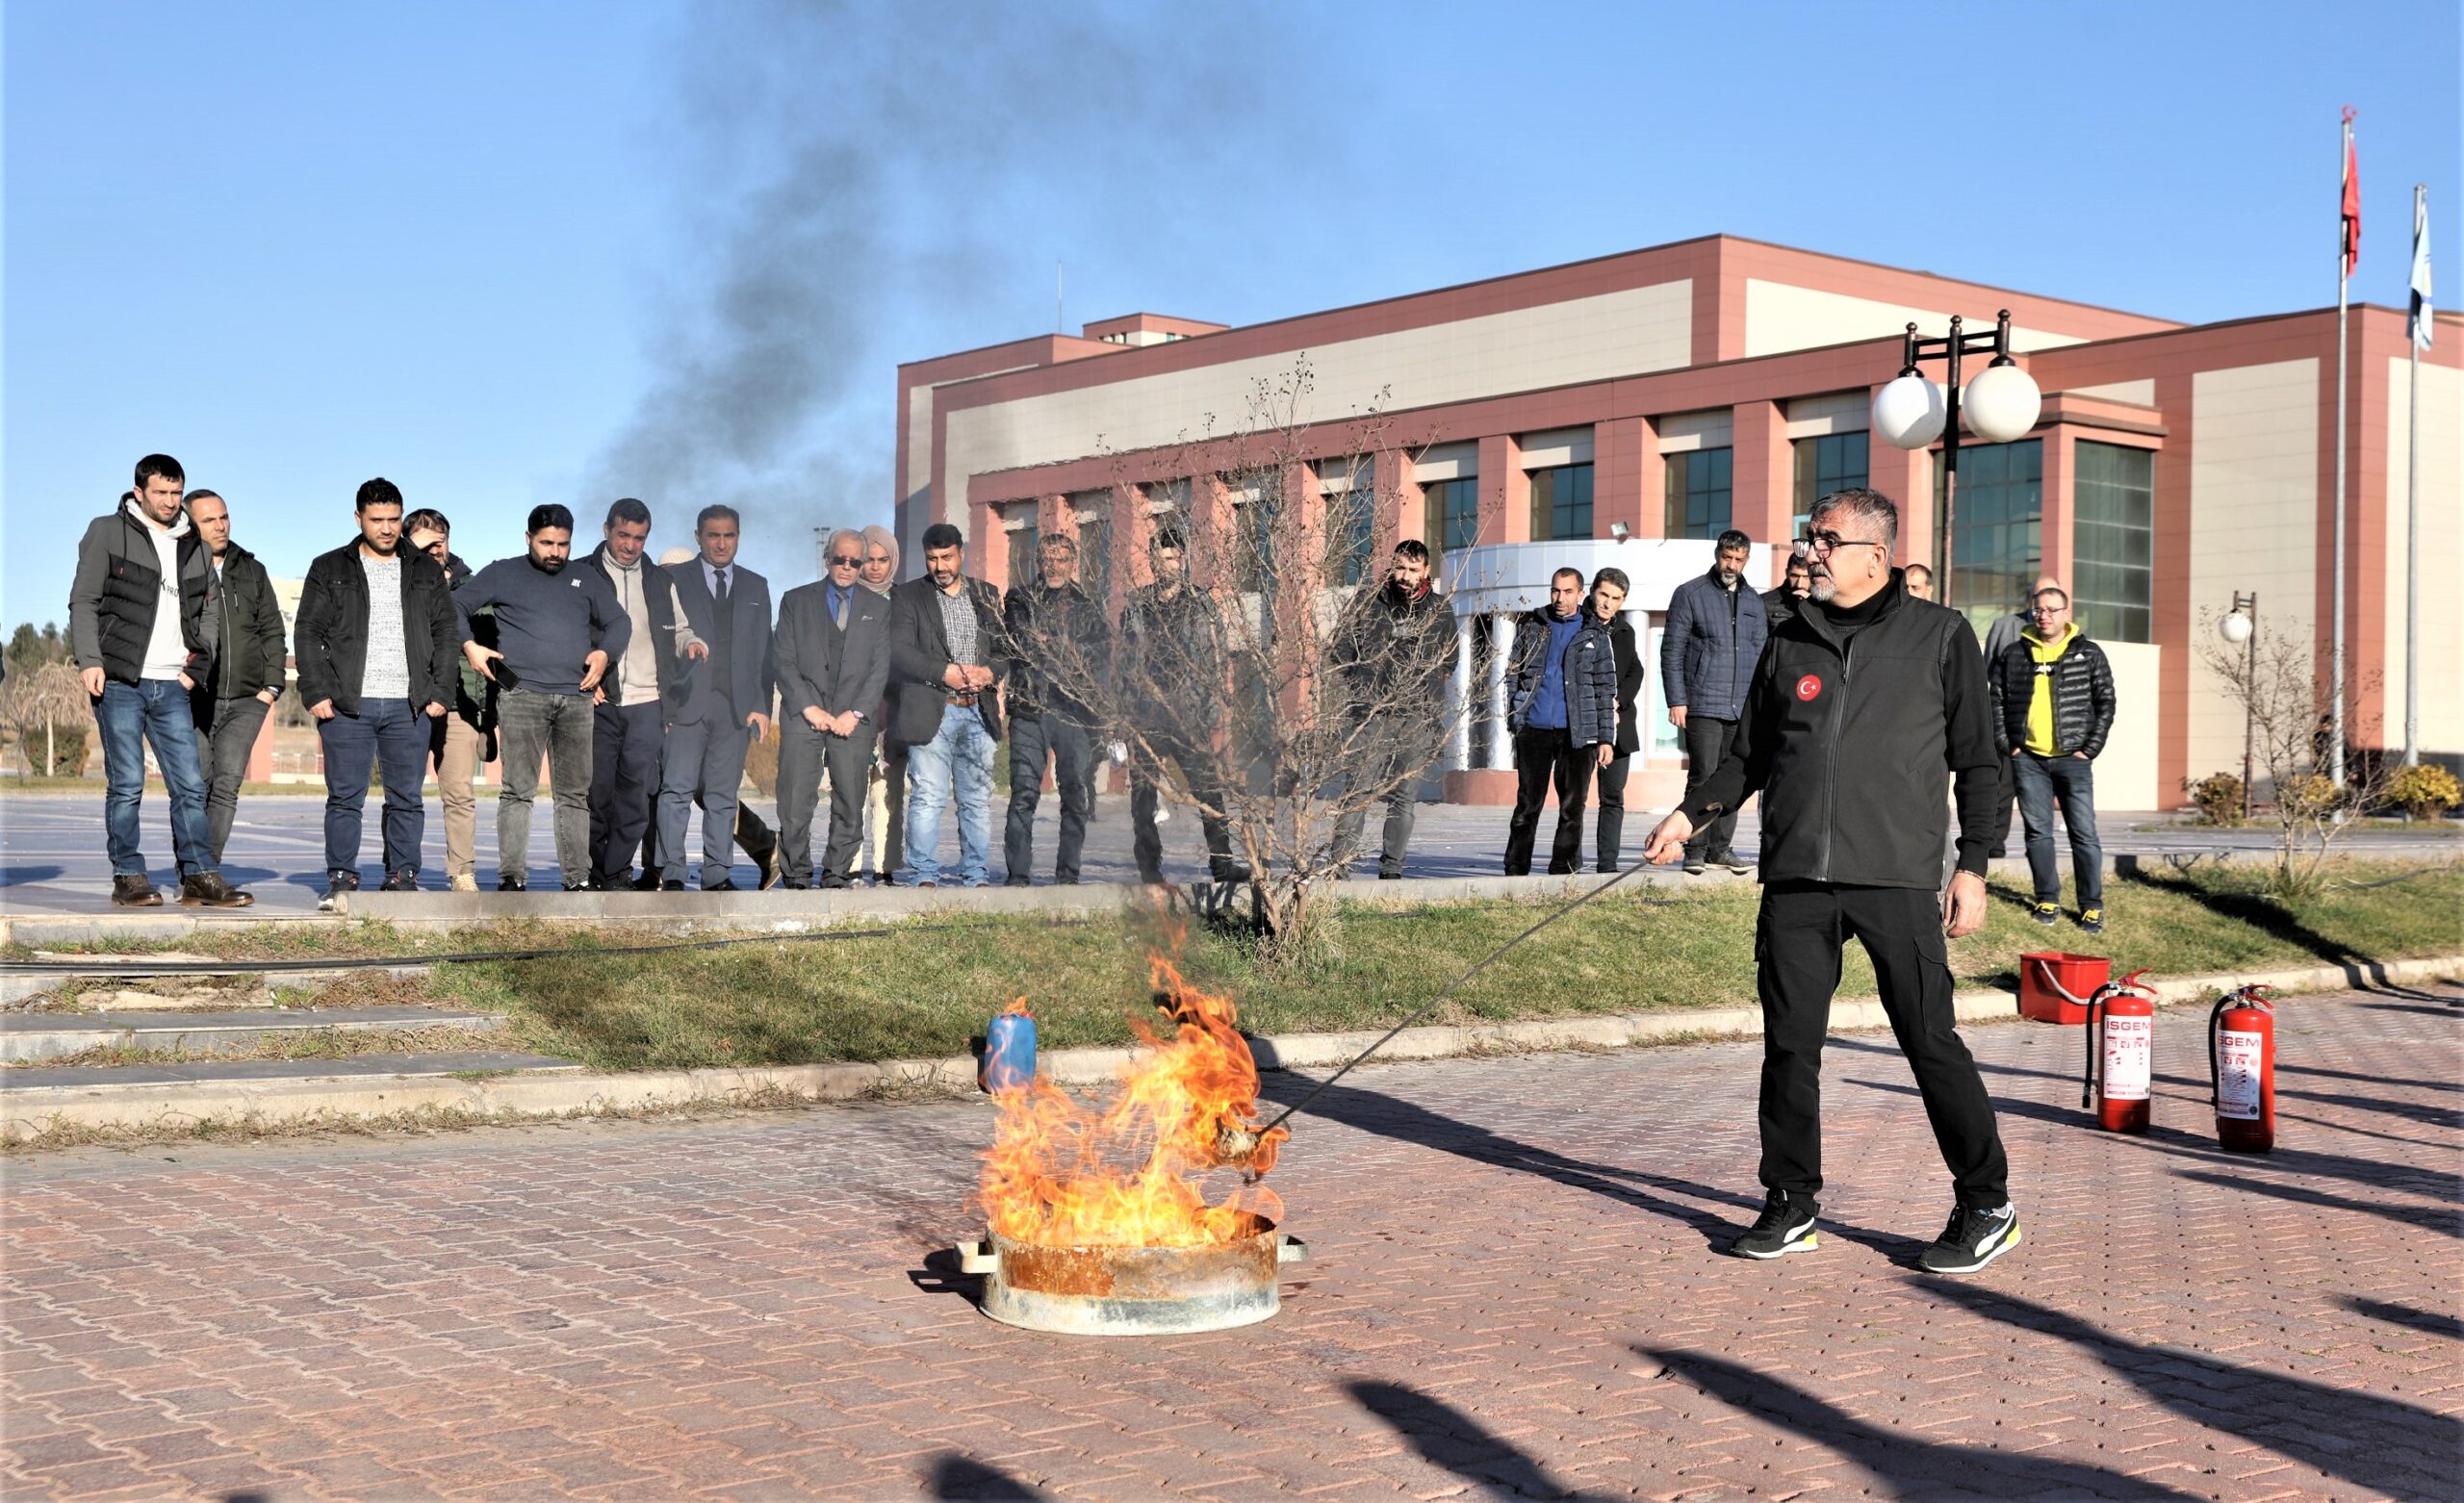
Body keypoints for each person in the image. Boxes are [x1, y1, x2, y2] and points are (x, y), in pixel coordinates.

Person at [1643, 486, 2017, 1277]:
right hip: (1798, 879)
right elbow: (1748, 753)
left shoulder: (1941, 637)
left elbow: (1982, 764)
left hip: (1894, 876)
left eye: (1824, 540)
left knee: (1929, 1040)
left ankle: (1987, 1201)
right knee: (1789, 1047)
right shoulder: (1790, 637)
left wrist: (1974, 865)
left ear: (1874, 557)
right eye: (1810, 538)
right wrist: (1692, 814)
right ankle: (1790, 1203)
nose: (1809, 551)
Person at [69, 455, 251, 907]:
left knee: (190, 785)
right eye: (161, 493)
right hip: (121, 681)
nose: (171, 502)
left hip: (173, 684)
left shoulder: (193, 544)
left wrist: (195, 670)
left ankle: (199, 875)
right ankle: (128, 876)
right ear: (139, 493)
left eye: (176, 493)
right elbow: (84, 600)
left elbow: (210, 609)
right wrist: (91, 659)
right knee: (127, 783)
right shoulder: (107, 532)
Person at [295, 478, 461, 905]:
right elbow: (308, 631)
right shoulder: (329, 567)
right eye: (377, 520)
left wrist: (441, 690)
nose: (387, 528)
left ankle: (403, 877)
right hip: (348, 705)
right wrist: (315, 691)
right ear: (359, 519)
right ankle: (342, 880)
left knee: (407, 798)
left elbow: (445, 632)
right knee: (345, 798)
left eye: (393, 519)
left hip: (411, 705)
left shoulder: (425, 570)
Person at [456, 504, 629, 891]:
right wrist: (470, 647)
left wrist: (604, 654)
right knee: (518, 791)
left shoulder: (586, 577)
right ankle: (512, 879)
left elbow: (620, 622)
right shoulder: (503, 572)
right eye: (547, 543)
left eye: (563, 544)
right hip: (522, 697)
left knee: (574, 795)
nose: (555, 552)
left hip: (577, 698)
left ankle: (577, 879)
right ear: (528, 538)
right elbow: (454, 604)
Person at [637, 545, 781, 889]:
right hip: (657, 708)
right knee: (658, 790)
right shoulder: (656, 607)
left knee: (703, 791)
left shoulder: (707, 611)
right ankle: (658, 870)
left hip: (696, 711)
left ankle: (764, 847)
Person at [583, 499, 706, 890]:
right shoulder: (582, 575)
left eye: (639, 538)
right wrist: (582, 678)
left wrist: (691, 642)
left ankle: (617, 872)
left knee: (636, 801)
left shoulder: (658, 580)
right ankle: (594, 871)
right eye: (623, 535)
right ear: (606, 530)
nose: (630, 545)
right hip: (599, 702)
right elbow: (566, 633)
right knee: (597, 796)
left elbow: (679, 628)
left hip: (647, 705)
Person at [1117, 528, 1247, 885]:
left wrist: (1213, 709)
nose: (1168, 566)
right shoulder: (1136, 608)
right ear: (1152, 562)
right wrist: (1126, 715)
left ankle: (1222, 865)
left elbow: (1216, 658)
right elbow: (1125, 665)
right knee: (1143, 796)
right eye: (1161, 560)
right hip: (1148, 715)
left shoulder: (1201, 604)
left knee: (1209, 791)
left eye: (1174, 558)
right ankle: (1149, 868)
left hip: (1189, 714)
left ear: (1184, 560)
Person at [1991, 584, 2117, 934]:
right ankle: (2047, 898)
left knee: (2084, 834)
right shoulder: (2015, 653)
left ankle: (2091, 906)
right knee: (2037, 833)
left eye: (2051, 609)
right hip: (2028, 758)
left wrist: (2089, 747)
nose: (2043, 615)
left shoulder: (2088, 653)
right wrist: (2009, 745)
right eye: (2038, 609)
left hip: (2073, 758)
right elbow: (1995, 699)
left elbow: (2106, 701)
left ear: (2066, 614)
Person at [888, 522, 1006, 887]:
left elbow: (1005, 652)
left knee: (976, 800)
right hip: (930, 711)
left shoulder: (986, 594)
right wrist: (944, 673)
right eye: (932, 559)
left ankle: (976, 874)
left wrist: (989, 673)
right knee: (928, 797)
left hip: (978, 711)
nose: (940, 566)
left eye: (946, 557)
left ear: (961, 554)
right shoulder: (908, 596)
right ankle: (923, 875)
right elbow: (900, 652)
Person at [774, 529, 893, 887]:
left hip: (851, 722)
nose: (847, 567)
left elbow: (879, 667)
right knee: (795, 800)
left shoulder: (880, 608)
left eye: (855, 561)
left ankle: (838, 873)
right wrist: (809, 708)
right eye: (840, 559)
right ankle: (795, 873)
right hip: (803, 716)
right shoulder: (795, 601)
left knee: (849, 798)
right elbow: (782, 659)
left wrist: (855, 712)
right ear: (827, 558)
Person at [1330, 539, 1451, 879]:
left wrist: (1428, 694)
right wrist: (1363, 686)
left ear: (1426, 571)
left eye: (1413, 569)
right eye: (1400, 567)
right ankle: (1339, 868)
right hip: (1371, 716)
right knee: (1358, 793)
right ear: (1391, 566)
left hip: (1416, 720)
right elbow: (1339, 649)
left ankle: (1392, 870)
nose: (1405, 575)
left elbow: (1450, 658)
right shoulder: (1368, 603)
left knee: (1404, 800)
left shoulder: (1440, 609)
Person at [183, 490, 287, 865]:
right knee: (195, 787)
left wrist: (271, 686)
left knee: (226, 786)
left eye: (224, 517)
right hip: (196, 697)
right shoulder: (179, 567)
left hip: (247, 700)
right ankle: (190, 866)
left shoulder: (251, 570)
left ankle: (206, 869)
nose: (220, 525)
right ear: (191, 523)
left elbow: (273, 630)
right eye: (209, 520)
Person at [1001, 532, 1109, 885]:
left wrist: (1054, 643)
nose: (1054, 566)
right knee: (1024, 793)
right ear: (1038, 561)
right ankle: (1018, 876)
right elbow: (1022, 641)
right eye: (1047, 559)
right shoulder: (1019, 598)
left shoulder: (1088, 605)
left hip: (1074, 711)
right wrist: (1068, 646)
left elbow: (1097, 655)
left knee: (1075, 793)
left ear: (1073, 563)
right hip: (1029, 706)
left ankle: (1068, 876)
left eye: (1062, 559)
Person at [1662, 528, 1768, 876]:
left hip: (1743, 707)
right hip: (1703, 703)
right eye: (1727, 557)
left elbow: (1762, 655)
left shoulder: (1755, 601)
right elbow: (1672, 650)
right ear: (1717, 554)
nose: (1731, 564)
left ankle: (1721, 849)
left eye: (1738, 559)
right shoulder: (1689, 594)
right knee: (1703, 775)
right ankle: (1695, 849)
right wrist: (1677, 699)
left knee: (1734, 778)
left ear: (1746, 560)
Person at [1502, 567, 1618, 876]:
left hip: (1577, 735)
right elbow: (1513, 674)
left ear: (1581, 595)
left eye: (1567, 592)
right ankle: (1515, 867)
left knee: (1572, 807)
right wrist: (1515, 717)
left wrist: (1606, 738)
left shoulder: (1595, 634)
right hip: (1534, 731)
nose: (1559, 598)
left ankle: (1563, 868)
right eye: (1555, 590)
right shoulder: (1533, 627)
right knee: (1527, 805)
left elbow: (1605, 690)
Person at [405, 511, 496, 892]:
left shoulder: (472, 586)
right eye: (428, 540)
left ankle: (462, 872)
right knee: (404, 793)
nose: (438, 546)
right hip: (407, 700)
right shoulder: (397, 581)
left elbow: (490, 643)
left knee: (459, 793)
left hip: (458, 705)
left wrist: (488, 712)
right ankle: (401, 871)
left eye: (442, 538)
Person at [1981, 574, 2059, 860]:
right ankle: (1993, 844)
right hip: (2007, 723)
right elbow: (1986, 671)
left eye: (2052, 598)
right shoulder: (2005, 626)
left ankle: (2039, 847)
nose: (2043, 605)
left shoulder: (2063, 634)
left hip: (2047, 728)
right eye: (2039, 597)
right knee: (2002, 788)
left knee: (2038, 792)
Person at [1586, 567, 1646, 873]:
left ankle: (1607, 864)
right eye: (1604, 594)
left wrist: (1619, 699)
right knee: (1574, 799)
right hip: (1581, 724)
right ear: (1592, 591)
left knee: (1612, 797)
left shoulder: (1625, 631)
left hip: (1619, 726)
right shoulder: (1576, 625)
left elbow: (1636, 670)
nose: (1608, 603)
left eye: (1616, 598)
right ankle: (1564, 862)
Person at [859, 524, 905, 884]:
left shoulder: (904, 601)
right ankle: (851, 865)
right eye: (869, 559)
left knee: (888, 794)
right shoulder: (846, 597)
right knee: (853, 792)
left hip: (894, 709)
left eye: (882, 559)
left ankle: (885, 868)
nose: (875, 567)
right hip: (855, 708)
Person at [1762, 549, 1813, 630]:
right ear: (1787, 573)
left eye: (1806, 577)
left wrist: (1812, 603)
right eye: (1794, 576)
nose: (1799, 584)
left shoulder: (1823, 604)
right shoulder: (1765, 602)